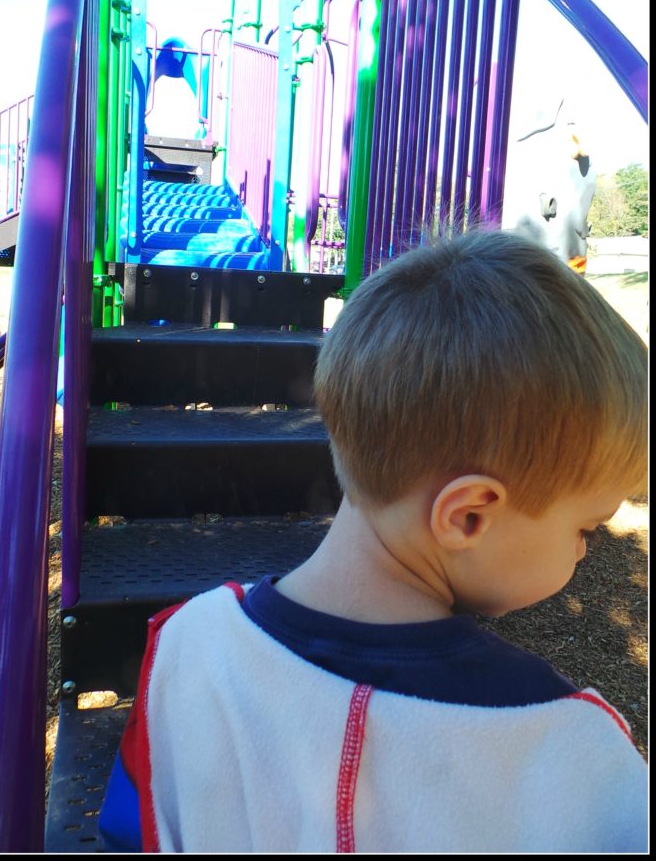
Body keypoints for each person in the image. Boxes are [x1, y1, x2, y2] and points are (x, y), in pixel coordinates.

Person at [99, 228, 648, 853]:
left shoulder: (186, 650)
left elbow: (128, 831)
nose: (585, 551)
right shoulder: (571, 755)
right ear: (468, 516)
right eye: (585, 529)